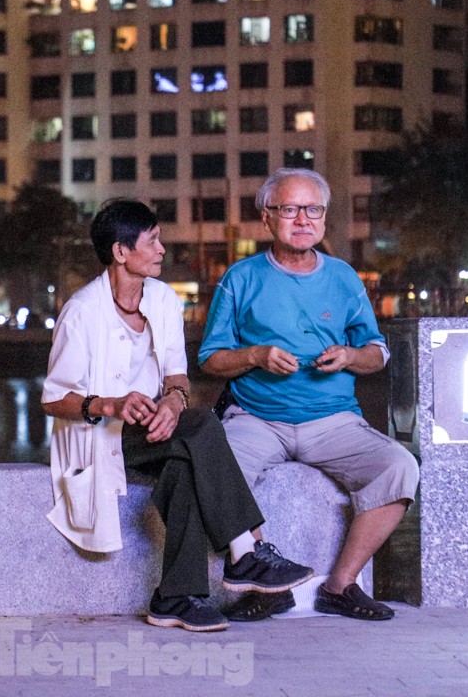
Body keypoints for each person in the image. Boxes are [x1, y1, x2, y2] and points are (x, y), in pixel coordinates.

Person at [43, 199, 314, 632]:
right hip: (97, 436)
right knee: (205, 425)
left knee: (185, 463)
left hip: (150, 427)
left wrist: (172, 402)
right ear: (121, 252)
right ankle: (244, 552)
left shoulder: (164, 299)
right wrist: (110, 405)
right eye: (152, 241)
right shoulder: (82, 311)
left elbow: (178, 376)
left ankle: (175, 597)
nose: (162, 249)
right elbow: (54, 398)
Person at [200, 169, 419, 622]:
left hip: (333, 419)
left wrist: (349, 357)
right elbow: (210, 359)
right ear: (267, 218)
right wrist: (256, 355)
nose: (303, 219)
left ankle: (340, 586)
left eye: (313, 209)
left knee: (399, 467)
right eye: (290, 209)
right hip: (256, 416)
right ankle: (264, 577)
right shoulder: (240, 278)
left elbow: (377, 353)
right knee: (213, 465)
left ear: (324, 219)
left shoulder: (343, 277)